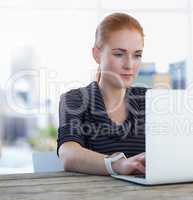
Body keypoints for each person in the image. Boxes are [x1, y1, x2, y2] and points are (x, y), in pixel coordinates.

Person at [57, 13, 147, 176]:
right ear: (97, 54)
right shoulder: (75, 100)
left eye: (137, 55)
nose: (129, 65)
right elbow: (68, 154)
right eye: (119, 54)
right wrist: (118, 165)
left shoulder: (148, 100)